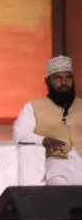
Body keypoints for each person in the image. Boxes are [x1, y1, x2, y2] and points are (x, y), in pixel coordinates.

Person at [13, 55, 82, 185]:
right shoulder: (33, 106)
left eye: (68, 77)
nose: (64, 82)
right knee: (59, 183)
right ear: (47, 81)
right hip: (58, 162)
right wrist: (45, 140)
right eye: (58, 78)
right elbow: (20, 134)